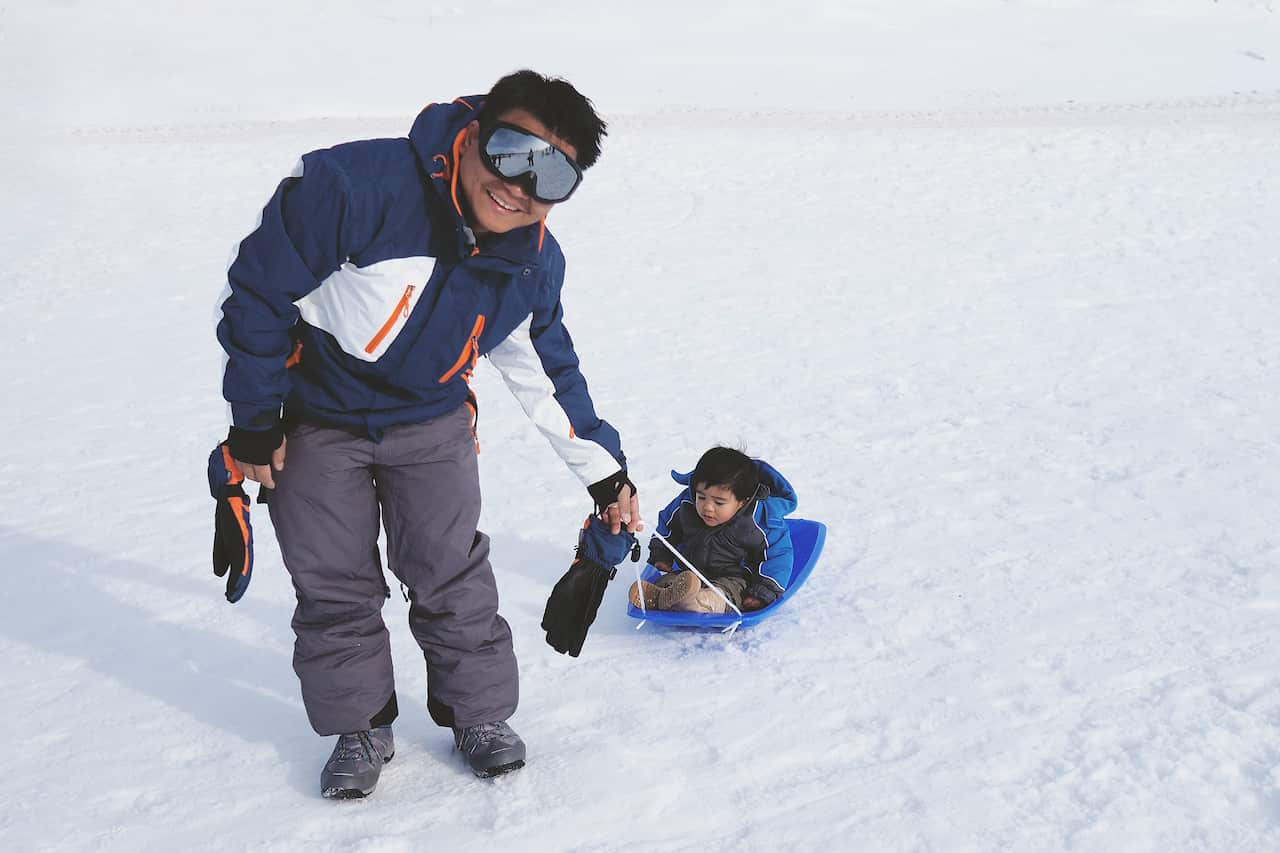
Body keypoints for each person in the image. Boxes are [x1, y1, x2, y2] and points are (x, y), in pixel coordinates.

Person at [212, 70, 641, 799]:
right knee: (333, 581)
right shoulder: (353, 185)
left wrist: (605, 473)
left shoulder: (530, 261)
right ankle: (361, 724)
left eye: (552, 175)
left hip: (432, 421)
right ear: (473, 135)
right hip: (315, 418)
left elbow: (545, 364)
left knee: (451, 571)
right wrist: (253, 427)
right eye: (512, 152)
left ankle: (477, 714)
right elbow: (256, 292)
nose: (519, 187)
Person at [631, 447, 795, 614]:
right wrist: (661, 555)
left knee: (727, 592)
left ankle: (701, 603)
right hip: (689, 573)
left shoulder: (758, 521)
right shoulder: (686, 504)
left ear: (742, 502)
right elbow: (667, 526)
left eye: (719, 502)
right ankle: (662, 596)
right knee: (671, 581)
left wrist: (764, 591)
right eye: (701, 497)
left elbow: (778, 555)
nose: (707, 507)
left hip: (734, 577)